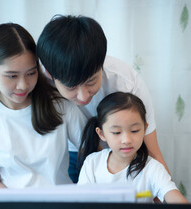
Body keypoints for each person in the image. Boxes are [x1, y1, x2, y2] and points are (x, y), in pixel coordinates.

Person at [36, 15, 168, 183]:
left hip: (120, 155)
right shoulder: (36, 80)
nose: (83, 96)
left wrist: (172, 202)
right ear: (49, 74)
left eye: (91, 82)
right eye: (71, 87)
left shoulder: (125, 82)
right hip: (71, 154)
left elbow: (153, 152)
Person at [0, 23, 86, 190]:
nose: (23, 85)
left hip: (60, 205)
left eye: (31, 73)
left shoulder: (61, 107)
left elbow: (94, 152)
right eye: (12, 76)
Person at [77, 92, 191, 209]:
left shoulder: (153, 169)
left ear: (145, 128)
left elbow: (181, 206)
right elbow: (81, 208)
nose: (126, 139)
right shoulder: (92, 163)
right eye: (116, 132)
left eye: (135, 131)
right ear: (102, 133)